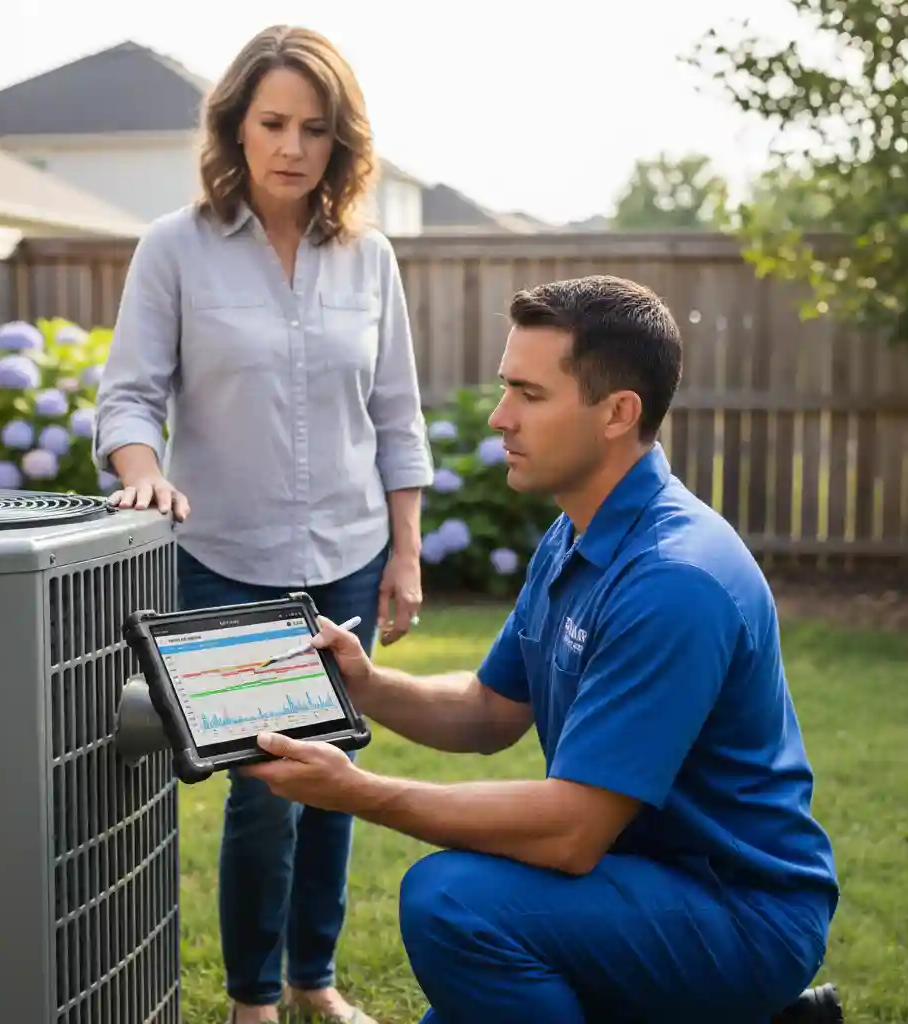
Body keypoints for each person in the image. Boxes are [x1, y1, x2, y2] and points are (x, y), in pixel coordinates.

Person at [239, 275, 840, 1024]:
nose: (499, 418)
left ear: (618, 413)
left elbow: (570, 832)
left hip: (738, 910)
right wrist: (365, 686)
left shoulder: (674, 580)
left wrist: (359, 793)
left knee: (453, 904)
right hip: (640, 879)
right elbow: (491, 709)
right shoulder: (576, 536)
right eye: (505, 389)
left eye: (530, 394)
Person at [93, 24, 433, 1024]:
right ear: (237, 127)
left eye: (314, 129)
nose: (291, 147)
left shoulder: (368, 259)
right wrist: (144, 473)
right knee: (265, 787)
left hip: (348, 553)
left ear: (340, 144)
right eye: (273, 123)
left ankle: (312, 977)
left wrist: (404, 552)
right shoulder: (174, 248)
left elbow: (397, 417)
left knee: (335, 774)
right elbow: (127, 398)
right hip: (227, 560)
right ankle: (252, 998)